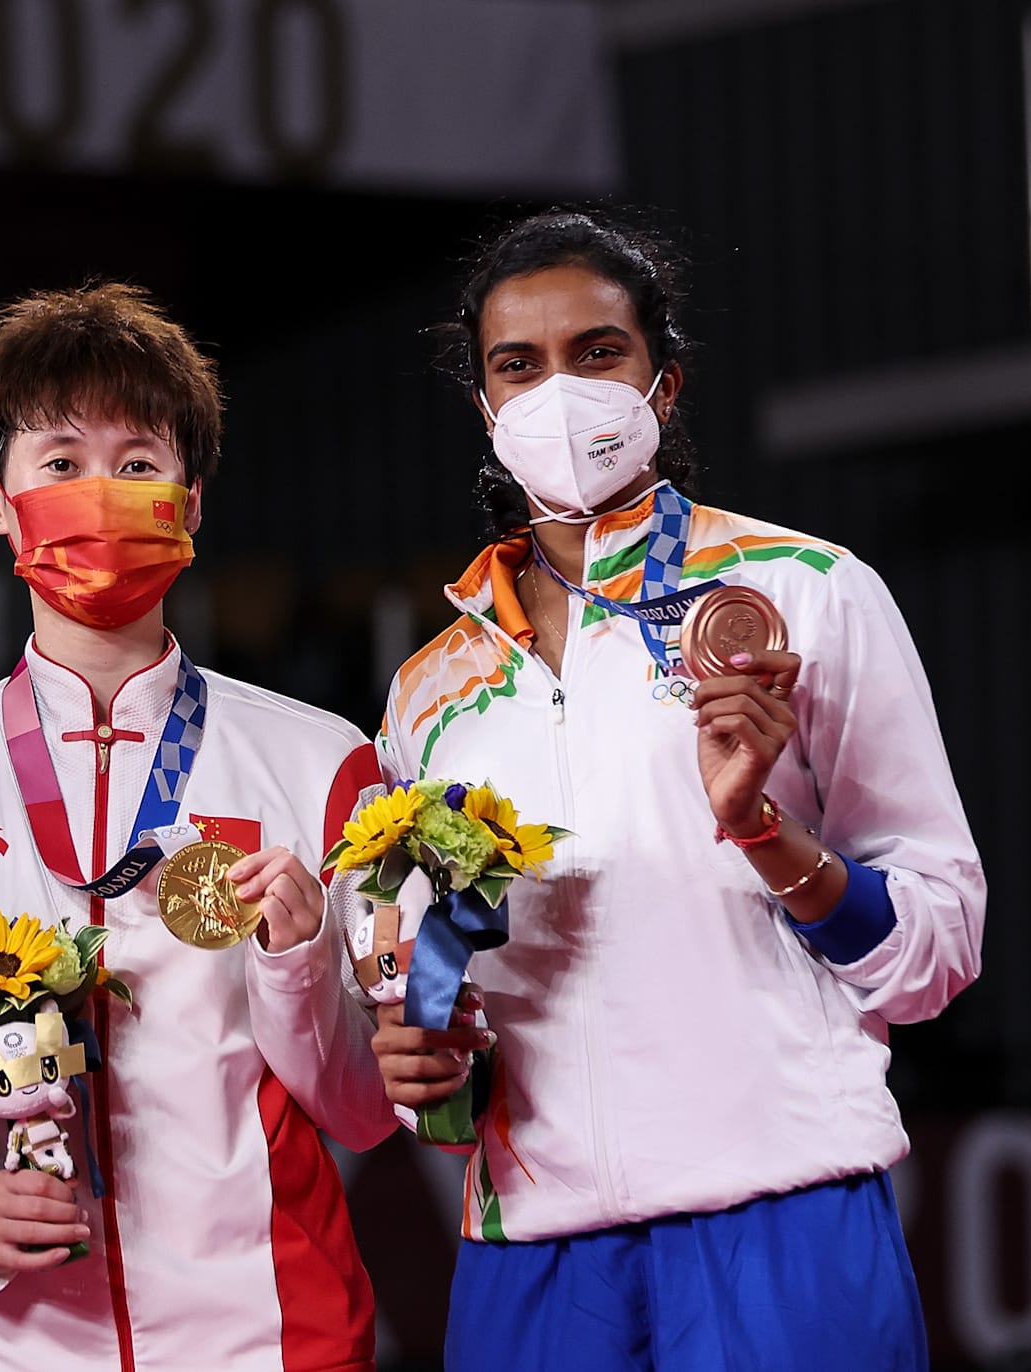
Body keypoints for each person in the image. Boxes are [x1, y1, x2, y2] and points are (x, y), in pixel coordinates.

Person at [365, 208, 984, 1370]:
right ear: (486, 410)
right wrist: (418, 1057)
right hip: (532, 1246)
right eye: (519, 365)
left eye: (596, 352)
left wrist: (759, 831)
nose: (558, 390)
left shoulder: (806, 594)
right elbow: (424, 972)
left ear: (662, 381)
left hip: (779, 1208)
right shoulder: (425, 696)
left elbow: (940, 943)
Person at [0, 283, 398, 1372]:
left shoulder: (321, 762)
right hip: (13, 1340)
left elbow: (367, 1114)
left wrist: (295, 959)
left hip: (276, 1335)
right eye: (60, 462)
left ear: (189, 499)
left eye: (139, 462)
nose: (100, 491)